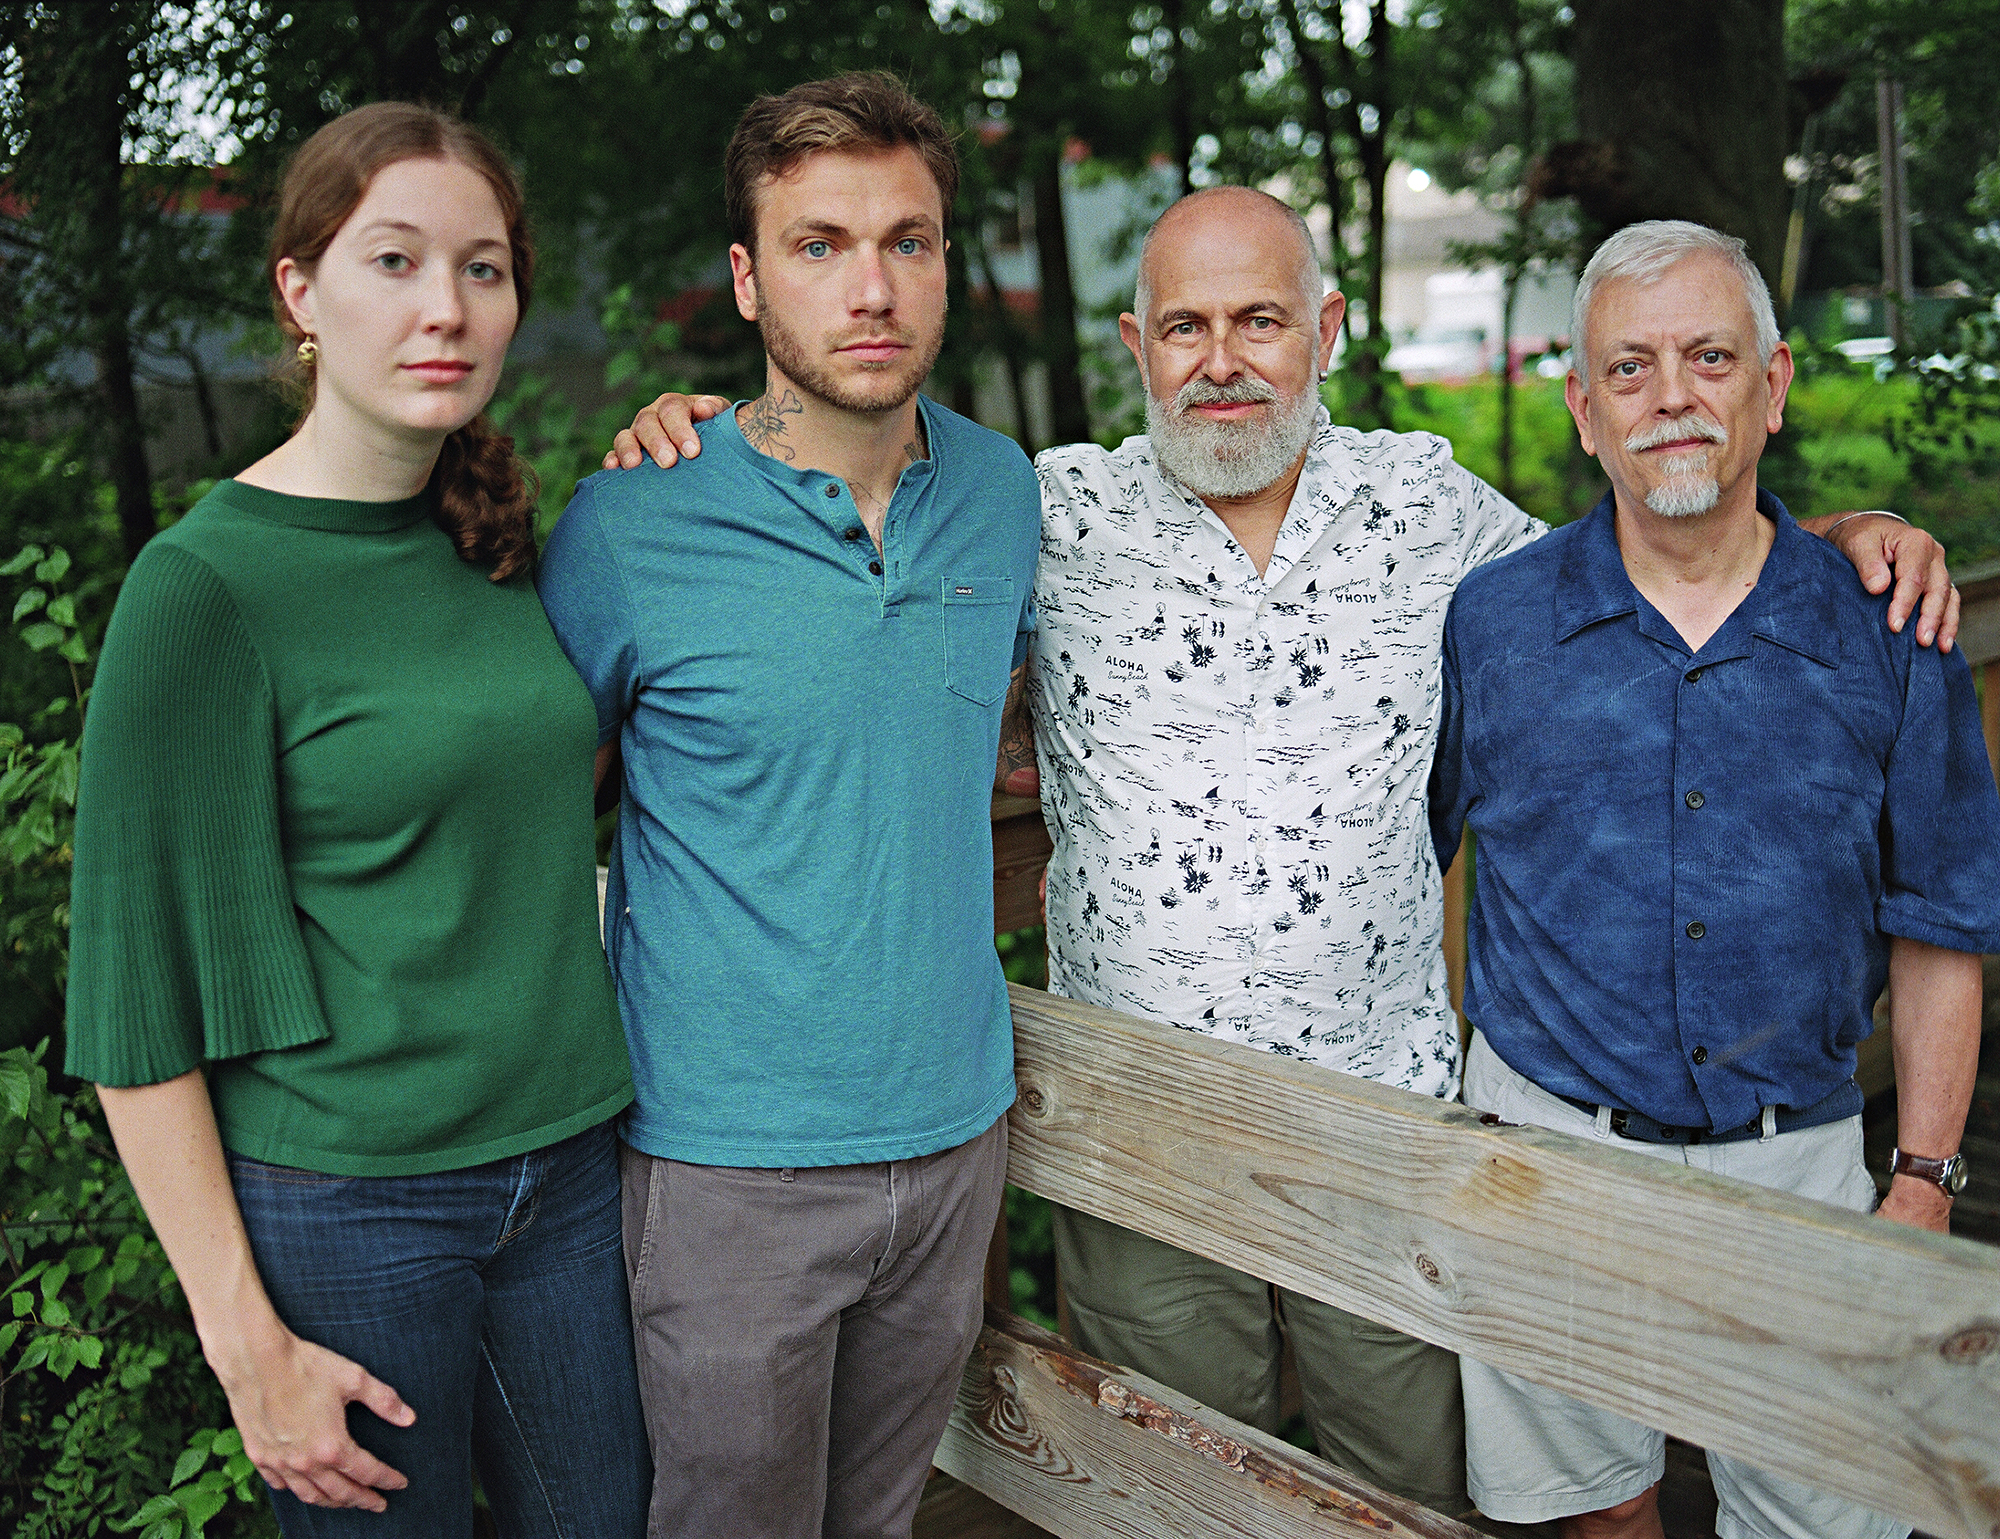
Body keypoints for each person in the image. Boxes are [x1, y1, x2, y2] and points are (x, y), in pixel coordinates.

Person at [611, 186, 1956, 1518]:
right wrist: (701, 439)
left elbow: (1650, 556)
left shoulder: (1430, 511)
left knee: (1410, 1489)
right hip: (1138, 1122)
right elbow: (847, 544)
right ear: (1134, 350)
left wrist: (1838, 541)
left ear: (1325, 329)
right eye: (1184, 326)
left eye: (1259, 319)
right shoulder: (1041, 512)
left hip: (1385, 1127)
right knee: (1175, 1488)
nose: (1221, 359)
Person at [64, 103, 648, 1538]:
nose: (446, 307)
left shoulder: (502, 542)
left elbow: (543, 790)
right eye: (394, 261)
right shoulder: (206, 590)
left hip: (573, 1171)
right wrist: (245, 1344)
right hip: (352, 1209)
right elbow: (135, 1025)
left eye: (486, 268)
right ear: (298, 290)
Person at [1430, 219, 2000, 1539]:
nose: (1671, 395)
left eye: (1708, 356)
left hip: (1795, 1161)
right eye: (1628, 368)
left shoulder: (1891, 630)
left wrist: (1923, 1177)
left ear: (1775, 385)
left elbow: (1941, 927)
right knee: (1596, 1518)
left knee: (1827, 1522)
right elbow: (1398, 855)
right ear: (1582, 407)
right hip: (1546, 1162)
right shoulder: (1491, 624)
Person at [533, 74, 1039, 1539]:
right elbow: (541, 799)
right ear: (750, 281)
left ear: (950, 263)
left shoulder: (1005, 497)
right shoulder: (632, 524)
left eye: (909, 241)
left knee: (882, 1520)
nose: (870, 287)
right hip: (725, 1167)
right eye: (819, 245)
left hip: (957, 1141)